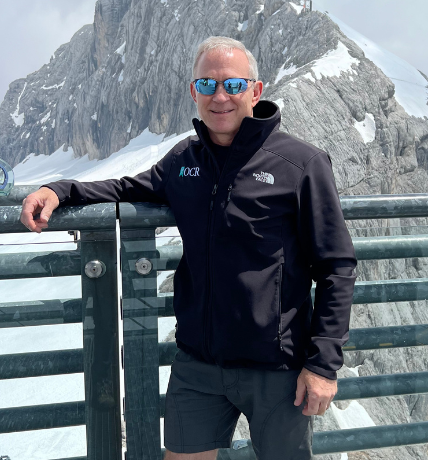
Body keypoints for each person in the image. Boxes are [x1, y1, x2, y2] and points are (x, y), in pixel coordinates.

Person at [21, 36, 357, 460]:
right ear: (193, 92)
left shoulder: (300, 164)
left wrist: (323, 365)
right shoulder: (184, 160)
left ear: (256, 91)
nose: (220, 97)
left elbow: (336, 266)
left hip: (276, 369)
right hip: (199, 364)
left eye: (233, 86)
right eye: (207, 85)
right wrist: (59, 188)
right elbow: (125, 188)